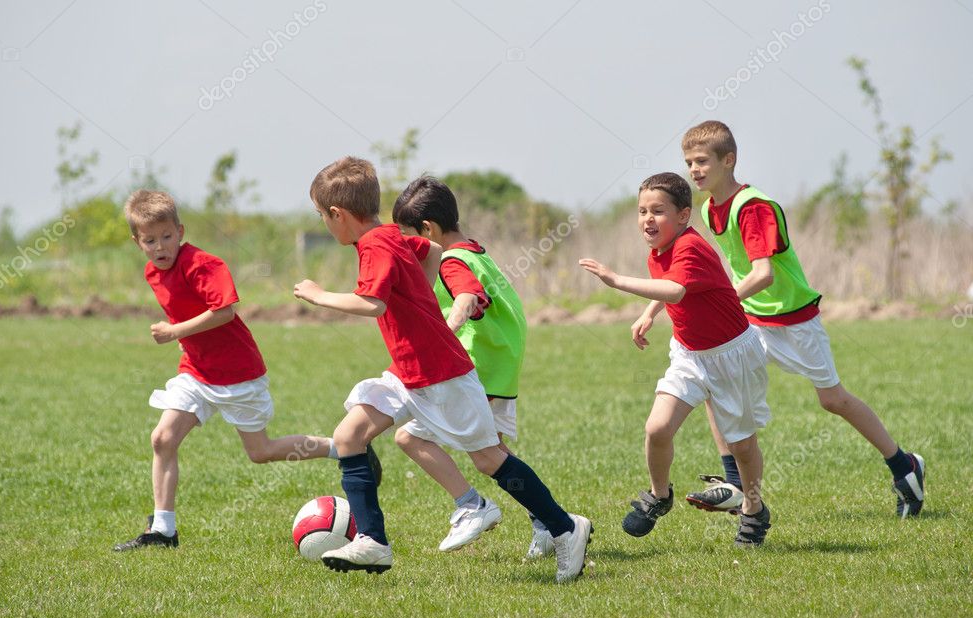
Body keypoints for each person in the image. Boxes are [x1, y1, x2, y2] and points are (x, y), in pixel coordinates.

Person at [294, 157, 591, 582]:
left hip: (441, 373)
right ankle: (373, 542)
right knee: (348, 436)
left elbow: (372, 303)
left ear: (338, 215)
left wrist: (319, 295)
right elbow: (430, 250)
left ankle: (565, 528)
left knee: (490, 458)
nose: (324, 223)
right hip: (408, 371)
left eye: (321, 216)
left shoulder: (375, 246)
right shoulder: (392, 235)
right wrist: (424, 304)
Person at [680, 120, 925, 518]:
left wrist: (721, 302)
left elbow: (764, 274)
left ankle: (905, 466)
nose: (694, 170)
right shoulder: (709, 210)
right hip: (751, 318)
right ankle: (736, 484)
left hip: (793, 320)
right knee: (713, 379)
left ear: (729, 160)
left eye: (702, 161)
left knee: (834, 400)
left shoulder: (753, 207)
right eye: (689, 162)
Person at [113, 190, 375, 552]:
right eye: (150, 240)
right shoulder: (152, 272)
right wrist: (183, 338)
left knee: (261, 451)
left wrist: (176, 331)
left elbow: (225, 311)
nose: (161, 246)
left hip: (238, 373)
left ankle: (341, 448)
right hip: (196, 372)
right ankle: (163, 530)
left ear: (181, 230)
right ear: (137, 242)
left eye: (167, 236)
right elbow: (185, 310)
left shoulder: (204, 264)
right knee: (162, 438)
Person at [580, 172, 773, 547]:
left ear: (684, 215)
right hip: (689, 354)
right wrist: (650, 313)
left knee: (743, 446)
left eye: (658, 211)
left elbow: (676, 287)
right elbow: (670, 287)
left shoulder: (690, 247)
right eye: (642, 211)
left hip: (732, 355)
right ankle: (659, 494)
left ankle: (753, 509)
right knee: (657, 428)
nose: (647, 219)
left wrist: (616, 280)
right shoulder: (661, 248)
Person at [391, 175, 552, 559]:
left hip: (475, 369)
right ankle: (547, 521)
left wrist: (447, 329)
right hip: (499, 366)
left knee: (410, 438)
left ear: (427, 229)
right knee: (494, 454)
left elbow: (465, 296)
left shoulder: (451, 261)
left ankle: (471, 505)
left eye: (411, 237)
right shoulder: (475, 250)